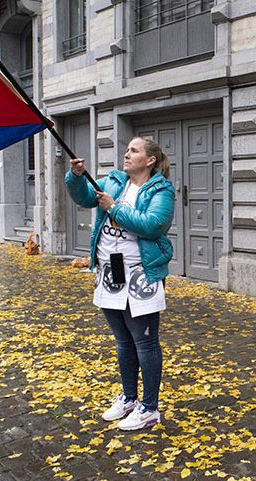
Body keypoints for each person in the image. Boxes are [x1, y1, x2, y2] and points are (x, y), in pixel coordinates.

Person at [65, 137, 175, 431]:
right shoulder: (113, 181)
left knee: (145, 340)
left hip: (141, 275)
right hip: (110, 274)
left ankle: (150, 408)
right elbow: (85, 197)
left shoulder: (161, 189)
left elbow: (153, 225)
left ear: (150, 159)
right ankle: (128, 397)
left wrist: (114, 208)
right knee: (123, 340)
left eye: (134, 150)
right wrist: (75, 178)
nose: (127, 154)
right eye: (126, 150)